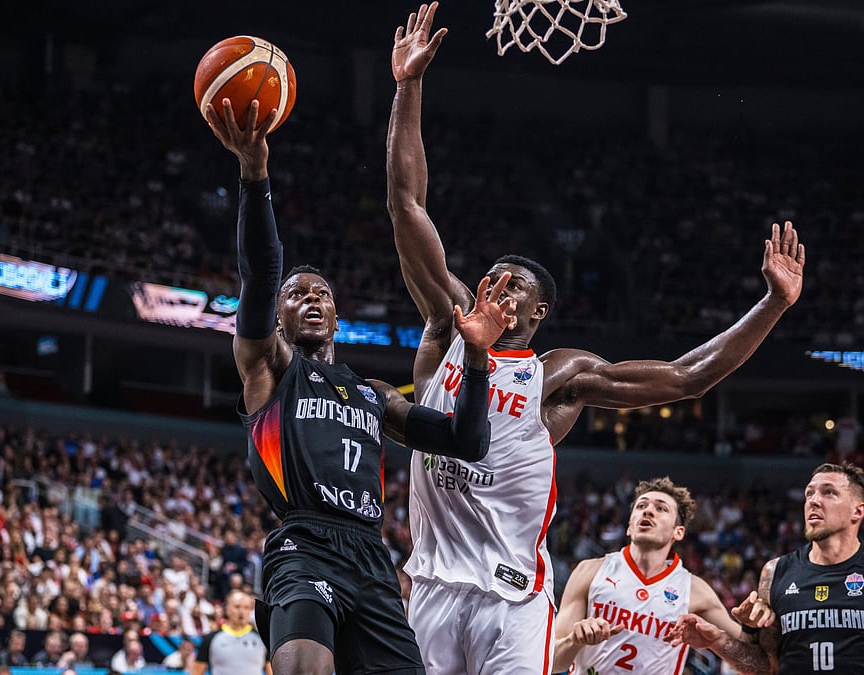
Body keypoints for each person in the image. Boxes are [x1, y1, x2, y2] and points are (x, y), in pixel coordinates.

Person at [387, 4, 805, 673]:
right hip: (432, 589)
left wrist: (772, 305)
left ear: (539, 309)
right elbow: (408, 207)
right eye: (492, 273)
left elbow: (688, 376)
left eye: (516, 280)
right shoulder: (445, 331)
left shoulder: (555, 375)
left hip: (512, 598)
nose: (498, 280)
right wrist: (408, 88)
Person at [205, 88, 515, 675]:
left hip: (371, 556)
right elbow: (261, 268)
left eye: (322, 293)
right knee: (303, 668)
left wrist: (476, 357)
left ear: (337, 315)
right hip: (304, 544)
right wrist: (254, 175)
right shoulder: (269, 368)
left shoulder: (372, 393)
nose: (312, 300)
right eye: (298, 296)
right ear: (278, 315)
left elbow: (467, 442)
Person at [671, 463, 864, 673]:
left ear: (858, 510)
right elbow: (764, 667)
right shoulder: (775, 572)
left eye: (829, 492)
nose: (814, 500)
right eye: (809, 493)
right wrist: (718, 640)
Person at [552, 477, 771, 673]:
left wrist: (749, 628)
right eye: (641, 506)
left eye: (661, 508)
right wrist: (575, 640)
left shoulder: (694, 590)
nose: (648, 511)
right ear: (629, 526)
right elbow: (552, 662)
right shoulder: (590, 571)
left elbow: (752, 664)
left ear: (679, 532)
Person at [189, 590, 271, 675]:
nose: (241, 611)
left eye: (246, 607)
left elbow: (271, 672)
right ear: (227, 609)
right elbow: (196, 672)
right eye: (237, 607)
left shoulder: (262, 640)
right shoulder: (210, 639)